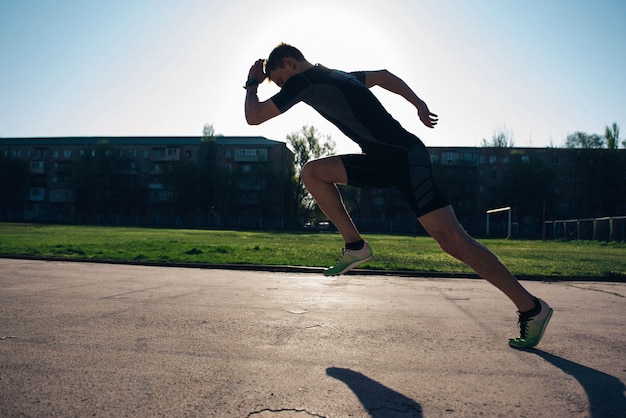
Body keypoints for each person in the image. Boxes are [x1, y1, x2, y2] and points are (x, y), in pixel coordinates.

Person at [244, 43, 552, 348]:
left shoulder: (303, 81)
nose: (284, 88)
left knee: (453, 240)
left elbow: (254, 117)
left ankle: (531, 308)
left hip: (403, 158)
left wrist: (253, 83)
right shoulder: (339, 76)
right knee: (313, 172)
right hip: (383, 159)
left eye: (281, 80)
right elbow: (383, 75)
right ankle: (355, 246)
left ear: (290, 63)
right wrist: (417, 103)